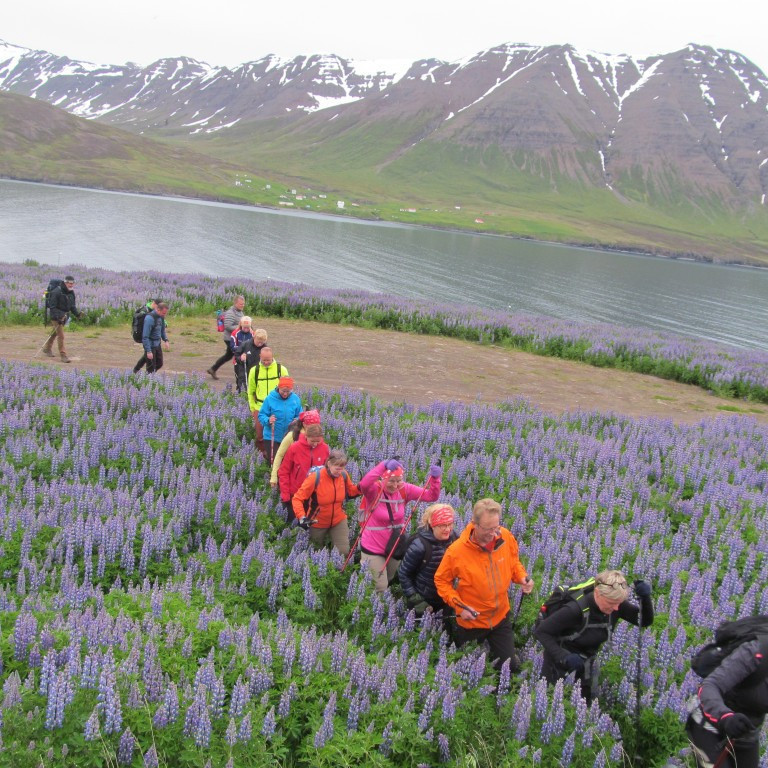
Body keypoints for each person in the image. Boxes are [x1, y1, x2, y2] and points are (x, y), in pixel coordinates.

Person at [434, 498, 534, 672]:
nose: (494, 533)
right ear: (475, 524)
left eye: (497, 527)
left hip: (500, 615)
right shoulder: (457, 551)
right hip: (471, 621)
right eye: (488, 529)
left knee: (510, 666)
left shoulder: (505, 537)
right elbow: (441, 581)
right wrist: (459, 607)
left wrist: (522, 577)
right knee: (465, 669)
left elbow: (513, 562)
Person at [533, 569, 653, 702]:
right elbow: (541, 631)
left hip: (586, 663)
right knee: (550, 702)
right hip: (559, 660)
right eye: (612, 603)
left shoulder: (615, 603)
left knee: (583, 708)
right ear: (598, 593)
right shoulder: (575, 609)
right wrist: (564, 657)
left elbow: (643, 621)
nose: (616, 609)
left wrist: (646, 599)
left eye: (618, 603)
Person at [357, 459, 442, 593]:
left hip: (395, 544)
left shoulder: (405, 489)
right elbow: (364, 484)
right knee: (379, 586)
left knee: (389, 579)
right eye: (391, 480)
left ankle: (382, 606)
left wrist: (435, 479)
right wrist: (383, 465)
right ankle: (371, 610)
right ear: (383, 478)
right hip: (373, 545)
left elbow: (431, 496)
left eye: (399, 480)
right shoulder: (374, 490)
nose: (395, 485)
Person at [686, 632, 768, 768]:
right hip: (710, 723)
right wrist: (725, 716)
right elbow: (709, 686)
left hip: (746, 730)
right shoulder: (755, 652)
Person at [292, 449, 361, 557]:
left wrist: (361, 487)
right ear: (329, 464)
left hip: (338, 519)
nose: (340, 471)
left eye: (342, 468)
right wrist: (301, 517)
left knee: (343, 552)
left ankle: (336, 572)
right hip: (317, 521)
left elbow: (351, 491)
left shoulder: (343, 475)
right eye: (337, 468)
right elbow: (297, 498)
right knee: (314, 552)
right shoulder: (315, 477)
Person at [398, 503, 458, 617]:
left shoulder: (455, 538)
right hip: (424, 601)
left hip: (446, 599)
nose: (447, 529)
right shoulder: (420, 545)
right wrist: (417, 600)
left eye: (450, 524)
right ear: (433, 525)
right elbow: (403, 573)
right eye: (443, 525)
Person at [277, 422, 330, 522]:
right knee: (293, 524)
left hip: (314, 496)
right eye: (312, 441)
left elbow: (327, 472)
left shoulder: (324, 449)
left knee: (309, 526)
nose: (315, 444)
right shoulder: (295, 448)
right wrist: (285, 493)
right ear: (306, 436)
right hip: (295, 494)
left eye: (318, 441)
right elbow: (284, 471)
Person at [247, 347, 288, 459]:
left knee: (278, 435)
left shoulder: (281, 370)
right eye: (264, 360)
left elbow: (287, 389)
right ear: (260, 357)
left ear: (272, 357)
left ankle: (276, 457)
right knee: (260, 434)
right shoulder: (254, 371)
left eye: (268, 360)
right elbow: (250, 391)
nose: (266, 362)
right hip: (260, 406)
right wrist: (252, 408)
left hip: (277, 406)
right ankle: (262, 457)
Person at [270, 409, 321, 489]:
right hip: (292, 478)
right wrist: (274, 477)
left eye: (317, 425)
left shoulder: (317, 436)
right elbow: (279, 455)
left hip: (311, 479)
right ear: (304, 424)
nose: (315, 428)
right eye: (312, 425)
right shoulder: (292, 436)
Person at [258, 377, 302, 464]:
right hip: (271, 437)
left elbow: (300, 415)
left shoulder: (295, 399)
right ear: (278, 388)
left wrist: (296, 420)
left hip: (289, 436)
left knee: (287, 462)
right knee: (274, 462)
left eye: (288, 391)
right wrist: (268, 420)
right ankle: (272, 476)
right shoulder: (270, 398)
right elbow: (261, 415)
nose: (285, 394)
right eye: (283, 391)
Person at [42, 275, 83, 363]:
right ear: (65, 283)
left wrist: (77, 314)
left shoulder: (71, 292)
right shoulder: (57, 292)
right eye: (69, 283)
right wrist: (58, 317)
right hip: (56, 316)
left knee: (54, 333)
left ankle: (47, 348)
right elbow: (52, 307)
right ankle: (63, 355)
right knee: (61, 335)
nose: (71, 285)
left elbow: (72, 306)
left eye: (72, 283)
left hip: (64, 316)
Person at [206, 295, 245, 380]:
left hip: (236, 338)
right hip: (230, 339)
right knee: (239, 356)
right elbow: (228, 326)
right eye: (241, 304)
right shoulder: (231, 313)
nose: (242, 305)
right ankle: (241, 376)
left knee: (228, 356)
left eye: (243, 304)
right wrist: (241, 327)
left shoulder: (240, 312)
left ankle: (213, 369)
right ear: (235, 303)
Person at [141, 301, 170, 374]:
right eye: (163, 313)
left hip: (157, 344)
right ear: (158, 310)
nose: (165, 315)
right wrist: (148, 351)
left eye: (166, 313)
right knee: (151, 367)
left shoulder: (161, 317)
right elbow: (145, 336)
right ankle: (148, 378)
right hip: (150, 345)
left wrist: (166, 340)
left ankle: (150, 375)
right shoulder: (149, 319)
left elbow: (162, 330)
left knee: (160, 363)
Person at [229, 316, 254, 393]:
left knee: (249, 378)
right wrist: (242, 350)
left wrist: (247, 353)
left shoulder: (253, 334)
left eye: (248, 327)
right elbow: (232, 347)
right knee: (239, 378)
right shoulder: (235, 333)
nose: (246, 329)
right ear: (241, 325)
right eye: (244, 327)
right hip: (238, 360)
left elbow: (254, 347)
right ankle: (239, 393)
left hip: (250, 360)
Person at [132, 300, 157, 373]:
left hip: (152, 336)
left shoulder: (153, 311)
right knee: (150, 354)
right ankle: (149, 374)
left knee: (148, 354)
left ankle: (136, 370)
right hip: (146, 336)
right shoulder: (145, 311)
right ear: (154, 304)